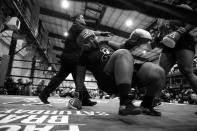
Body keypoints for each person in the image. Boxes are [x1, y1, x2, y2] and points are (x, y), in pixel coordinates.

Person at [74, 28, 165, 116]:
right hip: (107, 78)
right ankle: (124, 104)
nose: (92, 42)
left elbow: (122, 46)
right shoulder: (83, 56)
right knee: (123, 53)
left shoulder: (104, 43)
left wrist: (133, 41)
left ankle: (146, 105)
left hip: (126, 71)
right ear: (81, 46)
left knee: (158, 72)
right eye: (86, 42)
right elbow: (80, 78)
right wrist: (78, 97)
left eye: (92, 38)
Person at [39, 14, 112, 106]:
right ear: (77, 20)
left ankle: (44, 95)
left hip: (68, 56)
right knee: (77, 77)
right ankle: (84, 99)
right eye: (82, 18)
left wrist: (101, 33)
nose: (84, 19)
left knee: (62, 77)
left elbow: (89, 31)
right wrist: (101, 34)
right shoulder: (76, 26)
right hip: (72, 57)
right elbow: (89, 32)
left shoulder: (76, 29)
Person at [156, 4, 197, 114]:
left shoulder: (181, 7)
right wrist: (156, 40)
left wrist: (180, 31)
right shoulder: (159, 17)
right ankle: (152, 101)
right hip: (168, 44)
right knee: (160, 72)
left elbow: (194, 19)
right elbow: (161, 34)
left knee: (187, 71)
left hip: (183, 40)